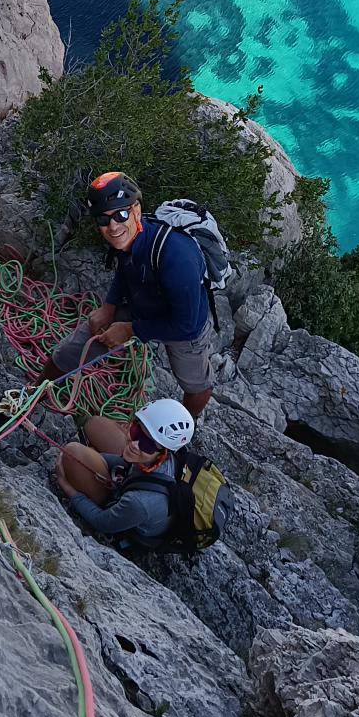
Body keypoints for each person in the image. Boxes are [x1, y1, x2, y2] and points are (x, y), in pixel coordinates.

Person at [48, 173, 215, 423]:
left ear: (136, 209)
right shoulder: (128, 237)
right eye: (103, 219)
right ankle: (36, 393)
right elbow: (125, 270)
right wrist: (109, 306)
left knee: (196, 385)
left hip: (184, 323)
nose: (113, 226)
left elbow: (186, 325)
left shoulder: (177, 257)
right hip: (143, 303)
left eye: (121, 215)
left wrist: (130, 329)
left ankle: (184, 425)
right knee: (74, 347)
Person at [55, 400, 193, 552]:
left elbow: (102, 522)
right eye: (136, 431)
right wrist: (97, 458)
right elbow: (127, 463)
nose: (134, 444)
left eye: (147, 444)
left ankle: (101, 493)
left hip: (128, 515)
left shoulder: (140, 502)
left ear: (163, 453)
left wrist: (68, 488)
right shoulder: (159, 455)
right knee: (95, 424)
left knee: (73, 453)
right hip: (134, 481)